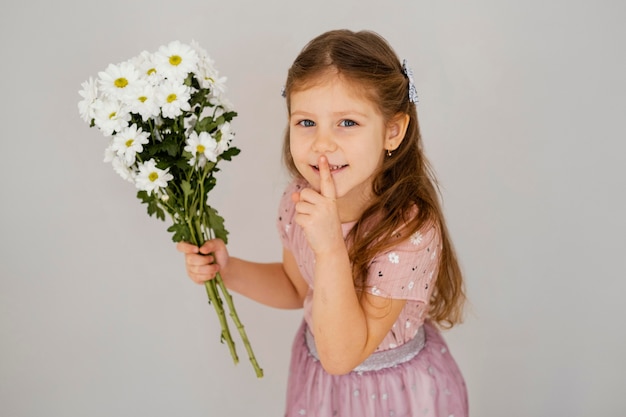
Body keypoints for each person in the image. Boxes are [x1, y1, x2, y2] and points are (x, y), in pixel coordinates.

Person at [177, 29, 468, 417]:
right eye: (306, 122)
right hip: (321, 389)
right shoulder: (300, 200)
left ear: (393, 131)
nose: (322, 144)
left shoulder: (406, 231)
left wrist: (331, 247)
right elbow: (297, 287)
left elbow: (342, 355)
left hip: (392, 397)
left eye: (347, 123)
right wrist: (227, 270)